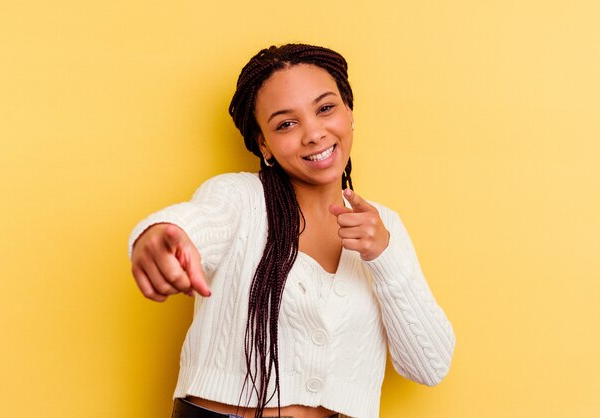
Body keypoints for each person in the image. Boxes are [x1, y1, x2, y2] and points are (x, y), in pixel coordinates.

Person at [129, 44, 455, 418]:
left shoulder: (384, 226)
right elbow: (196, 224)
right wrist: (158, 236)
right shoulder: (240, 198)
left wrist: (384, 257)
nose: (313, 133)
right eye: (286, 123)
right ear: (264, 144)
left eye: (326, 108)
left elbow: (429, 367)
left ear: (349, 113)